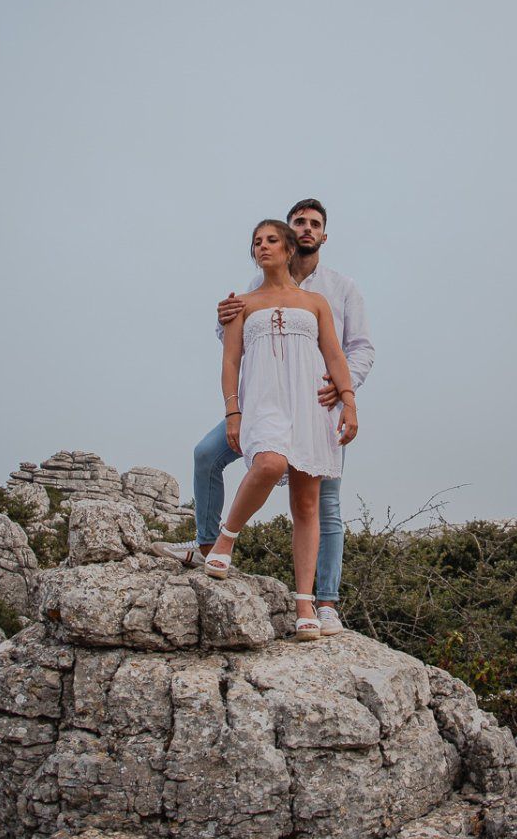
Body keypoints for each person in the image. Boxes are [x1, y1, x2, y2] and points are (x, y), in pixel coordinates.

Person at [154, 198, 375, 636]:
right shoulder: (252, 287)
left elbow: (355, 348)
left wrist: (345, 392)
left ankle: (322, 602)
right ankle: (207, 544)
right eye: (299, 223)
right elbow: (233, 344)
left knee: (320, 503)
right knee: (208, 455)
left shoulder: (338, 288)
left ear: (320, 236)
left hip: (315, 403)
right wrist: (222, 323)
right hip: (263, 402)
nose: (306, 230)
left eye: (314, 224)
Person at [196, 218, 358, 639]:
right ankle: (225, 539)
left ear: (288, 250)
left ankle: (306, 604)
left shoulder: (318, 301)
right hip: (263, 403)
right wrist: (233, 412)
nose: (262, 246)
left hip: (310, 406)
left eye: (271, 240)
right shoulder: (242, 304)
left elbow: (336, 356)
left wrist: (349, 402)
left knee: (307, 505)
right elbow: (230, 361)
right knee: (267, 463)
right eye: (256, 242)